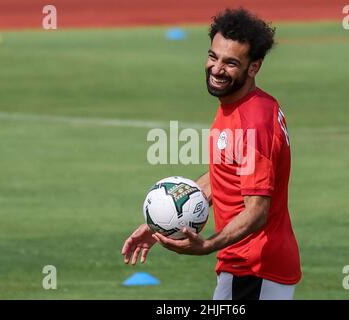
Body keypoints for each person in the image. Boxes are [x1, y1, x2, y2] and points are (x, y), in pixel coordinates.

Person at [121, 8, 301, 300]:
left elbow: (257, 210)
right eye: (213, 57)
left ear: (253, 68)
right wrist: (162, 219)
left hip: (254, 268)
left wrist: (208, 244)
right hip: (249, 267)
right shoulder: (239, 105)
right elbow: (226, 173)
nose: (217, 69)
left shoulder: (252, 121)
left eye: (231, 63)